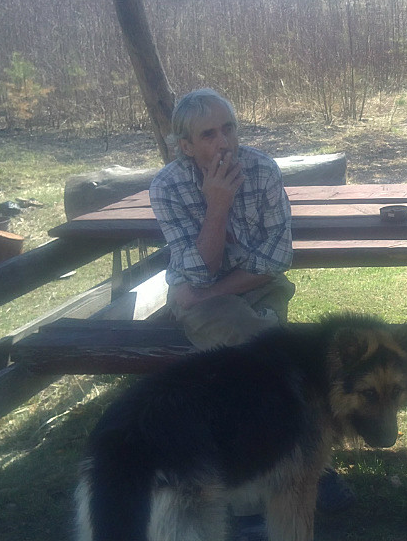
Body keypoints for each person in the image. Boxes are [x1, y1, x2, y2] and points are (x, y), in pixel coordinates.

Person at [149, 88, 355, 540]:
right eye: (209, 135)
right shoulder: (167, 187)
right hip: (205, 301)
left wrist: (212, 291)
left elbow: (277, 258)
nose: (224, 142)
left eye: (229, 128)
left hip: (252, 289)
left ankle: (255, 499)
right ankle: (305, 464)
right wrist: (218, 204)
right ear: (186, 146)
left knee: (247, 362)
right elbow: (197, 270)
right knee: (262, 359)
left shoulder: (262, 169)